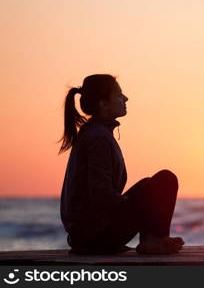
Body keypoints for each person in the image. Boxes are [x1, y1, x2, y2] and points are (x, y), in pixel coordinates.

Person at [57, 74, 184, 255]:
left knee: (148, 184)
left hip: (85, 237)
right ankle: (154, 241)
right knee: (166, 180)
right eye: (118, 95)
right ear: (103, 104)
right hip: (94, 237)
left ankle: (152, 239)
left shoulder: (95, 132)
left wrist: (137, 204)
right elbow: (100, 195)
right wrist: (138, 207)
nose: (125, 98)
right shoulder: (98, 137)